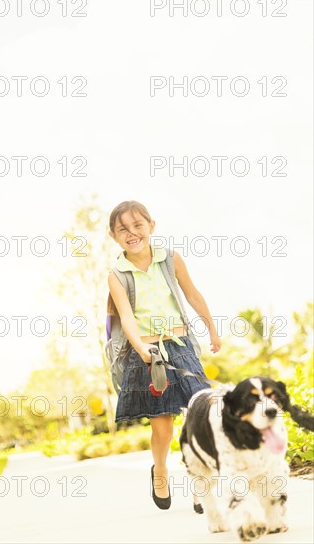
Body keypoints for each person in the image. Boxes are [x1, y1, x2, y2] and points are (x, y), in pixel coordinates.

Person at [107, 200, 221, 510]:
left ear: (151, 226)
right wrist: (141, 348)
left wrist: (211, 327)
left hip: (181, 347)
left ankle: (201, 480)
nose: (132, 233)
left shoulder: (170, 259)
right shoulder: (118, 274)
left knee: (202, 416)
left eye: (138, 225)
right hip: (148, 354)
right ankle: (160, 469)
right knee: (163, 426)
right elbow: (127, 317)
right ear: (114, 236)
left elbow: (192, 293)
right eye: (123, 229)